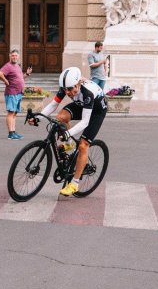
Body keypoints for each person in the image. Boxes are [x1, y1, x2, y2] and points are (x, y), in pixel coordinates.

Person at [34, 66, 107, 197]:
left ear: (78, 83)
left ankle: (74, 183)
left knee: (83, 145)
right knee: (61, 117)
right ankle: (69, 145)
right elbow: (53, 105)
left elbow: (85, 122)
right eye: (65, 89)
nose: (68, 92)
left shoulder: (87, 93)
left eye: (70, 89)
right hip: (81, 104)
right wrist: (37, 117)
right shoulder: (66, 86)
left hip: (96, 110)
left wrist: (68, 133)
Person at [0, 49, 31, 140]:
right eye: (13, 55)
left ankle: (14, 131)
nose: (14, 57)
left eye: (16, 55)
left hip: (18, 93)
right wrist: (5, 81)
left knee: (15, 113)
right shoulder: (8, 66)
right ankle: (10, 133)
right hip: (11, 93)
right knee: (11, 113)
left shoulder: (17, 66)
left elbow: (20, 78)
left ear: (18, 57)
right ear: (10, 56)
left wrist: (27, 74)